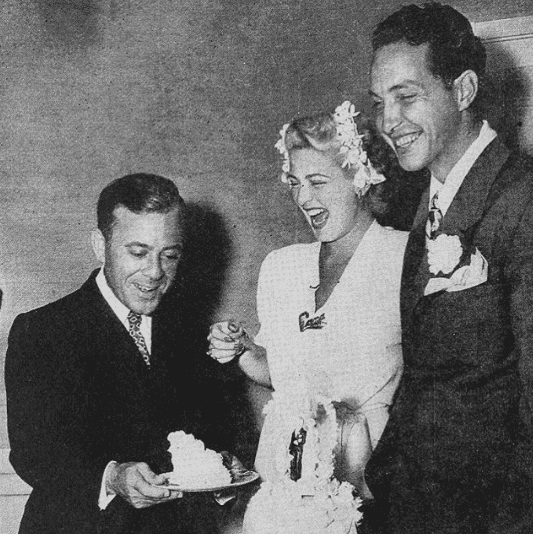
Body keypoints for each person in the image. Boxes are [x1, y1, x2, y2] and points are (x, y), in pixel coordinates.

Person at [366, 4, 533, 533]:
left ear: (462, 91)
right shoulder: (421, 204)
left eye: (407, 97)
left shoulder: (522, 198)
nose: (389, 123)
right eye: (380, 103)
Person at [208, 102, 409, 527]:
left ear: (360, 178)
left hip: (371, 491)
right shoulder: (282, 267)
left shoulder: (404, 258)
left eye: (317, 181)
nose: (302, 197)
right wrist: (242, 350)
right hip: (282, 490)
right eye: (295, 182)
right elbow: (283, 373)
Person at [5, 174, 224, 534]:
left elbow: (214, 429)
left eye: (169, 255)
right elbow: (34, 451)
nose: (155, 273)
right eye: (138, 253)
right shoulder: (44, 330)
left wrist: (220, 461)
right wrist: (112, 476)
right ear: (100, 245)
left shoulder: (190, 333)